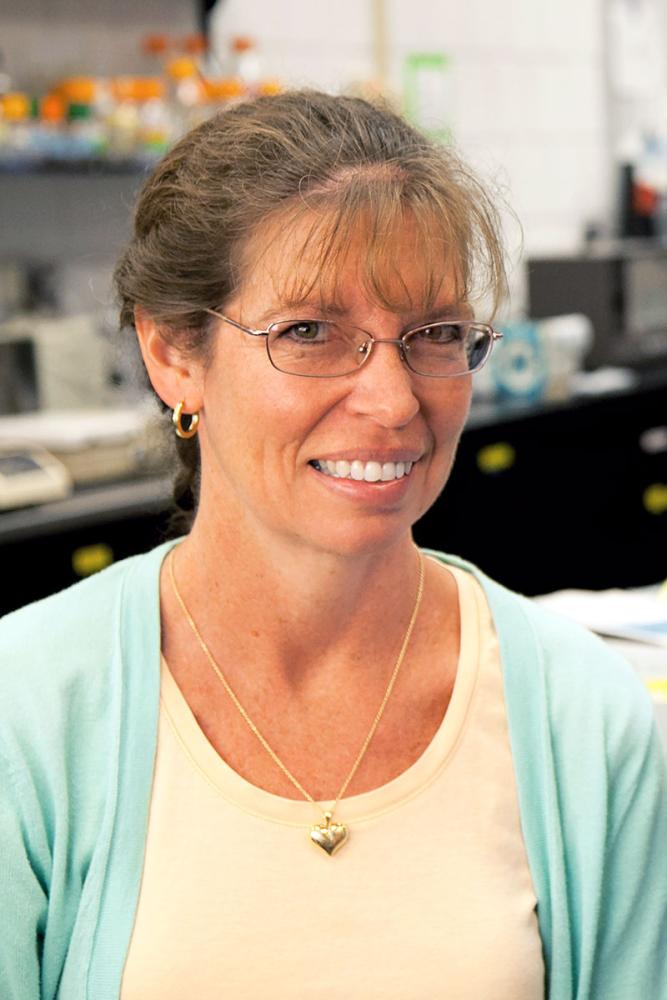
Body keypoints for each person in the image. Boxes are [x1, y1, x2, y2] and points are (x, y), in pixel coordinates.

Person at [1, 90, 665, 1000]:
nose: (393, 404)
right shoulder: (27, 712)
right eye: (309, 333)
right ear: (171, 355)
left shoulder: (583, 723)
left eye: (433, 334)